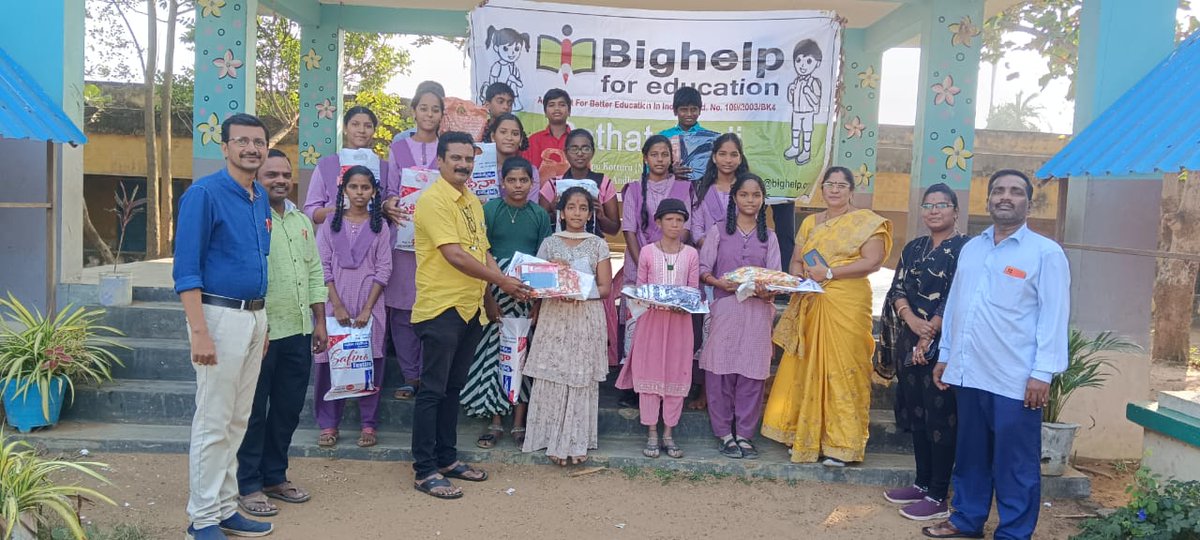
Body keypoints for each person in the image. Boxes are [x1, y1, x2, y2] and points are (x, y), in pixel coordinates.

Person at [922, 170, 1069, 540]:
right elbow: (957, 304)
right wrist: (947, 355)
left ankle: (1014, 532)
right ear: (988, 199)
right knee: (970, 455)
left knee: (1015, 463)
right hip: (970, 373)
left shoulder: (1045, 253)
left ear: (1028, 203)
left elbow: (1054, 316)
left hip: (1016, 379)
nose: (1006, 197)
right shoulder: (973, 248)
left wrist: (1043, 373)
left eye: (1016, 192)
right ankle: (967, 520)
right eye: (998, 190)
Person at [410, 131, 533, 500]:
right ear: (440, 160)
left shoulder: (473, 202)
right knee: (432, 392)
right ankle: (424, 469)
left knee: (451, 390)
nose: (463, 165)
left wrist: (492, 296)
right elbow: (455, 255)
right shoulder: (433, 201)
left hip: (471, 309)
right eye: (456, 159)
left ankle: (446, 460)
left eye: (468, 159)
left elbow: (482, 251)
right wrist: (503, 282)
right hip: (440, 308)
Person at [173, 113, 275, 539]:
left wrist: (263, 323)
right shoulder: (204, 194)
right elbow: (187, 269)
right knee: (213, 420)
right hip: (217, 317)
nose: (251, 148)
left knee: (239, 419)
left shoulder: (260, 198)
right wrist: (199, 331)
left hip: (254, 317)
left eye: (258, 142)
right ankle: (202, 519)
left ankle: (225, 506)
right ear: (225, 146)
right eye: (242, 141)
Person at [763, 166, 892, 467]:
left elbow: (872, 261)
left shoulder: (866, 222)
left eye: (841, 185)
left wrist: (830, 273)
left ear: (851, 190)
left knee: (844, 367)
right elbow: (797, 259)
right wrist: (798, 277)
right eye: (829, 185)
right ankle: (803, 435)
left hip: (846, 300)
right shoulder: (810, 222)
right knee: (807, 365)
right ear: (822, 189)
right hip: (811, 300)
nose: (834, 190)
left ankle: (841, 444)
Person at [235, 149, 327, 518]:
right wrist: (260, 326)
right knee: (254, 411)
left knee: (288, 409)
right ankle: (249, 484)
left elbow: (315, 270)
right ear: (258, 177)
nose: (280, 180)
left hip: (299, 331)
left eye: (285, 174)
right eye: (271, 174)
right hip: (261, 331)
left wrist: (319, 320)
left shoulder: (301, 220)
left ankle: (276, 476)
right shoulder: (249, 218)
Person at [879, 183, 969, 521]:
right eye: (928, 205)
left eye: (942, 204)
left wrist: (930, 331)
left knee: (940, 418)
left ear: (955, 211)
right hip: (909, 339)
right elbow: (898, 287)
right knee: (916, 414)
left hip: (944, 345)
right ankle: (920, 483)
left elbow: (958, 293)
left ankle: (938, 494)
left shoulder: (966, 248)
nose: (934, 210)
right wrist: (912, 321)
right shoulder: (914, 247)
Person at [462, 156, 552, 448]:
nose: (517, 186)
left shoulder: (539, 215)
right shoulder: (489, 210)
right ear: (502, 182)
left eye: (523, 180)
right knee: (493, 355)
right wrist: (488, 297)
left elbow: (544, 261)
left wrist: (538, 303)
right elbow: (479, 254)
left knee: (523, 354)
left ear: (531, 182)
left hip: (527, 293)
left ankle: (518, 421)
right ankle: (495, 420)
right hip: (494, 291)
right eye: (511, 180)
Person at [522, 187, 613, 465]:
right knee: (553, 373)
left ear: (590, 213)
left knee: (579, 376)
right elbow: (534, 283)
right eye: (571, 207)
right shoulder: (550, 243)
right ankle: (549, 439)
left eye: (583, 208)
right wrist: (551, 270)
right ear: (562, 212)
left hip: (585, 315)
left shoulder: (598, 244)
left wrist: (575, 287)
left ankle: (575, 441)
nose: (577, 213)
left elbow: (606, 287)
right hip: (555, 316)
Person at [698, 173, 779, 460]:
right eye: (744, 195)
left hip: (757, 312)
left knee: (752, 372)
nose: (750, 200)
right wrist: (719, 283)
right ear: (734, 199)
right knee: (720, 369)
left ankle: (745, 434)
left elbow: (775, 278)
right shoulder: (718, 231)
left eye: (756, 195)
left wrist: (767, 290)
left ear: (762, 200)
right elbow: (703, 269)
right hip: (726, 307)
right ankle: (724, 433)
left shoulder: (769, 237)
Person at [313, 166, 392, 449]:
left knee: (369, 362)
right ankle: (328, 423)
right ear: (344, 190)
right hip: (335, 305)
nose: (360, 193)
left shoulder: (379, 225)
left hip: (369, 304)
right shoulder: (330, 223)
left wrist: (367, 309)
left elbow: (384, 268)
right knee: (329, 362)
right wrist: (337, 305)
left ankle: (368, 424)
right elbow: (321, 268)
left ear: (374, 191)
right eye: (354, 187)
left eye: (365, 188)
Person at [616, 198, 700, 460]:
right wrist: (647, 299)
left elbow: (693, 291)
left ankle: (669, 434)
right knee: (650, 375)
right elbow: (641, 289)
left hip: (679, 324)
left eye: (679, 220)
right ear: (659, 222)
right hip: (651, 322)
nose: (675, 225)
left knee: (677, 375)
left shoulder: (691, 254)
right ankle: (652, 432)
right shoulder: (648, 252)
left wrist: (682, 305)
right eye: (669, 219)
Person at [618, 136, 693, 405]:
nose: (660, 159)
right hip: (638, 264)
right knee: (637, 322)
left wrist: (664, 263)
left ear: (671, 159)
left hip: (672, 264)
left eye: (664, 154)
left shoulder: (684, 188)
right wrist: (645, 267)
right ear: (645, 158)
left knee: (665, 325)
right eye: (654, 154)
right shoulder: (635, 189)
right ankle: (632, 384)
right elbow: (629, 231)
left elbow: (685, 229)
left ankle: (663, 380)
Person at [538, 129, 621, 366]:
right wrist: (555, 206)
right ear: (565, 152)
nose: (580, 153)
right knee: (559, 314)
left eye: (585, 148)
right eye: (574, 148)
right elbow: (541, 220)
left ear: (592, 151)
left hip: (592, 253)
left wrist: (599, 212)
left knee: (588, 314)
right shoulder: (554, 183)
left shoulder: (603, 182)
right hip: (560, 252)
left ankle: (588, 364)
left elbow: (614, 227)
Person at [383, 85, 443, 400]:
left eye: (435, 109)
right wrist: (389, 203)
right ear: (414, 111)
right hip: (404, 237)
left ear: (442, 115)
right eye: (424, 108)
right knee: (403, 309)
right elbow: (390, 189)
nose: (429, 114)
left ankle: (431, 375)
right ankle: (410, 376)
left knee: (433, 309)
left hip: (439, 243)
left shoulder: (448, 149)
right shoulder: (398, 148)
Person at [303, 106, 387, 225]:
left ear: (374, 131)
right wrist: (335, 211)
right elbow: (311, 209)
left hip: (374, 238)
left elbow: (388, 204)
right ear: (345, 127)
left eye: (368, 126)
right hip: (334, 238)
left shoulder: (384, 167)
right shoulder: (327, 165)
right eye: (355, 124)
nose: (361, 130)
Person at [691, 133, 750, 246]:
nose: (728, 160)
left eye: (733, 155)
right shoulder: (701, 189)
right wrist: (713, 248)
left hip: (741, 255)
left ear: (740, 159)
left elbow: (752, 227)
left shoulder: (748, 190)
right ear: (714, 157)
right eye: (722, 154)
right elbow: (696, 229)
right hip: (707, 256)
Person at [660, 86, 719, 182]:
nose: (689, 114)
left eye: (693, 109)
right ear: (675, 111)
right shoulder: (664, 137)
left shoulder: (711, 138)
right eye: (684, 109)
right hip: (670, 189)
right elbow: (652, 167)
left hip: (703, 190)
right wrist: (669, 171)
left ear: (700, 110)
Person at [484, 113, 541, 199]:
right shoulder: (479, 168)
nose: (509, 138)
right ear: (493, 136)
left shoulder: (531, 171)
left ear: (521, 139)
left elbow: (530, 206)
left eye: (515, 134)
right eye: (503, 132)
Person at [523, 88, 572, 168]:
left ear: (569, 111)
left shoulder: (577, 140)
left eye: (561, 105)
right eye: (551, 105)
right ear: (545, 112)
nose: (557, 109)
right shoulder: (533, 141)